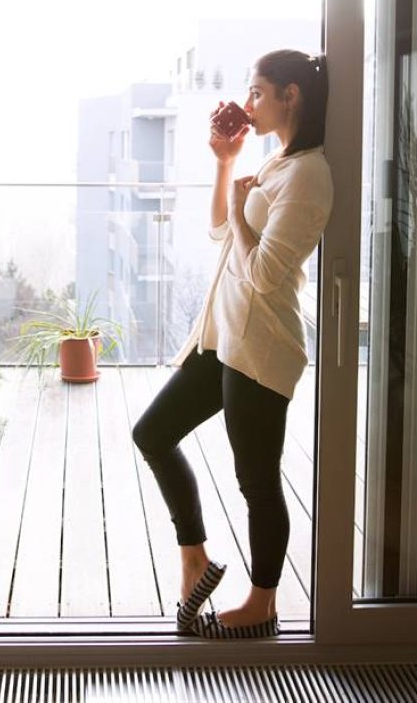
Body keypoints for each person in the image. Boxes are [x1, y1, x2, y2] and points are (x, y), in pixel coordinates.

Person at [132, 49, 333, 639]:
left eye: (257, 92)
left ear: (290, 95)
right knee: (152, 432)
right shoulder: (277, 162)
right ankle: (193, 557)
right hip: (221, 338)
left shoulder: (309, 173)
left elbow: (267, 272)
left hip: (262, 346)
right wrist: (226, 164)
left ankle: (263, 602)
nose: (249, 104)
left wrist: (245, 215)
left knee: (256, 479)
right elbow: (222, 229)